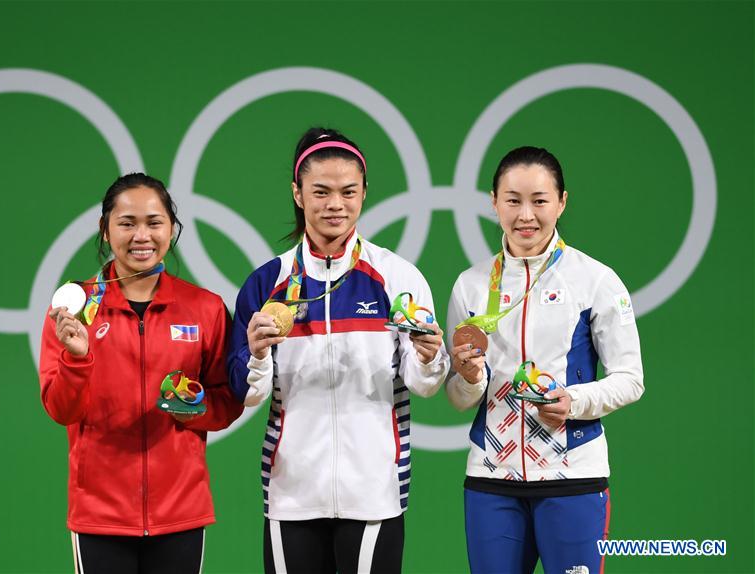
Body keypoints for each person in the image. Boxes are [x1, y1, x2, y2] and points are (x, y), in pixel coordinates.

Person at [228, 127, 450, 573]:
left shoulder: (396, 277)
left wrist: (429, 356)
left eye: (348, 191)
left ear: (365, 193)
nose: (335, 204)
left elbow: (424, 386)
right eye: (321, 191)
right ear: (297, 193)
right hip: (291, 494)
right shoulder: (266, 283)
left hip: (374, 493)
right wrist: (254, 354)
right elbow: (248, 393)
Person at [446, 146, 644, 573]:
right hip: (491, 480)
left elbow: (631, 378)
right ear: (494, 202)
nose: (526, 215)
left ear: (561, 202)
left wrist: (573, 402)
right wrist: (467, 377)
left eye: (539, 201)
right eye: (513, 200)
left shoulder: (596, 280)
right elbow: (460, 397)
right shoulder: (470, 285)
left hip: (572, 477)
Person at [39, 173, 243, 574]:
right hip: (101, 513)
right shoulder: (75, 308)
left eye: (154, 222)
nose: (141, 235)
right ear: (105, 229)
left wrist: (194, 410)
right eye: (127, 223)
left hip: (180, 510)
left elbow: (226, 402)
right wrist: (77, 358)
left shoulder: (204, 308)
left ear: (172, 228)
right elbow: (60, 409)